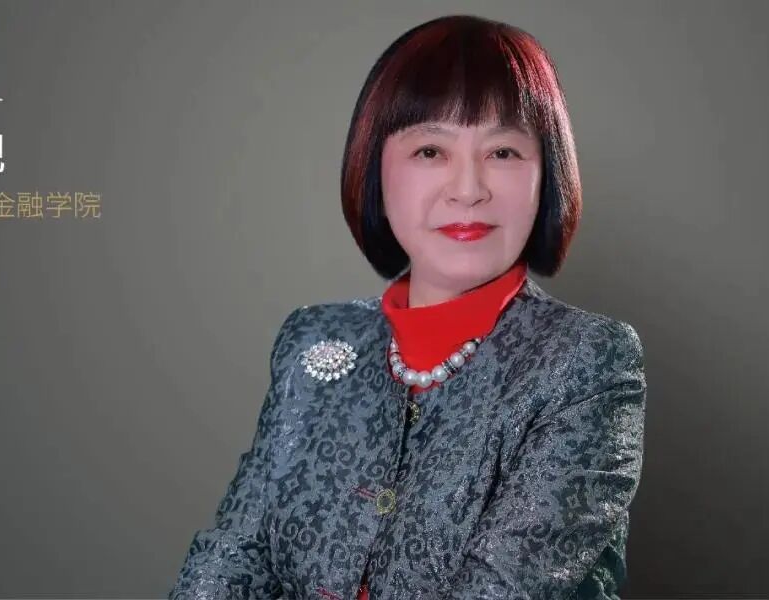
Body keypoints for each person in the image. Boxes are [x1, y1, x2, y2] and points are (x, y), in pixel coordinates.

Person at [170, 14, 646, 600]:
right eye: (429, 150)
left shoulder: (585, 361)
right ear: (375, 168)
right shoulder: (311, 340)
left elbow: (503, 589)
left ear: (546, 175)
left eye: (503, 151)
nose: (468, 189)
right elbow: (232, 556)